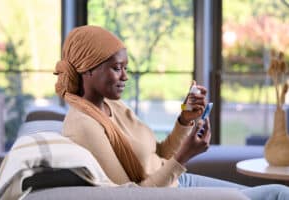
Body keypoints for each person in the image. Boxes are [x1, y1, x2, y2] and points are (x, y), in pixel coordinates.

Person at [54, 25, 289, 200]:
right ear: (87, 70)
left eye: (126, 67)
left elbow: (159, 153)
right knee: (278, 195)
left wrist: (185, 119)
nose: (125, 76)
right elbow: (131, 196)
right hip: (166, 191)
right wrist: (183, 157)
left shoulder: (112, 105)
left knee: (278, 194)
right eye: (117, 68)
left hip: (175, 180)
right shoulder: (83, 125)